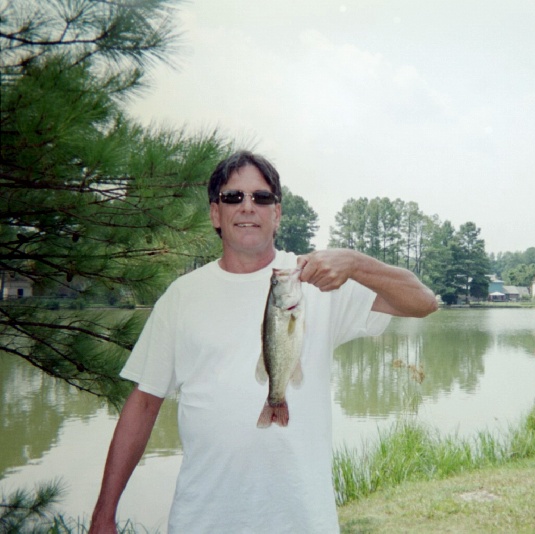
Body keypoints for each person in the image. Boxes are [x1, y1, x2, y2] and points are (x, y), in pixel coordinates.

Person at [89, 151, 437, 533]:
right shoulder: (181, 296)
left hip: (302, 521)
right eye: (233, 197)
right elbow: (143, 403)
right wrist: (104, 513)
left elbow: (424, 303)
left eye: (262, 197)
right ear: (215, 214)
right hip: (202, 521)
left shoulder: (316, 281)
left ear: (277, 213)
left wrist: (355, 262)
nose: (248, 207)